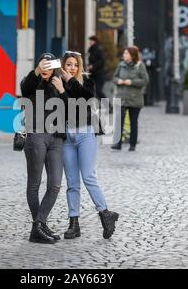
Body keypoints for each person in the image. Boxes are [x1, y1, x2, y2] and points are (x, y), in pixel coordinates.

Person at [59, 51, 120, 240]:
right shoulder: (56, 82)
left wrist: (68, 84)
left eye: (75, 65)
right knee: (71, 182)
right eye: (68, 64)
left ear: (80, 66)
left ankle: (105, 214)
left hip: (86, 133)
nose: (72, 68)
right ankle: (73, 224)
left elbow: (85, 100)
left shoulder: (87, 82)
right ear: (63, 65)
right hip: (66, 135)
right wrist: (61, 88)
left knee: (88, 176)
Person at [20, 53, 68, 244]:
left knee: (55, 184)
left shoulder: (58, 84)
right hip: (36, 136)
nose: (47, 69)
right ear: (39, 65)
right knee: (34, 184)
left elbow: (71, 110)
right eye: (43, 65)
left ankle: (39, 225)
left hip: (56, 138)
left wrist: (62, 90)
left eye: (50, 65)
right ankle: (39, 227)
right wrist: (37, 72)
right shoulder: (32, 82)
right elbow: (25, 88)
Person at [111, 46, 149, 151]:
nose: (124, 55)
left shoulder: (140, 66)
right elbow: (114, 77)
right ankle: (117, 144)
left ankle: (133, 144)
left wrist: (131, 82)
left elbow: (145, 81)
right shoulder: (121, 65)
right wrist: (118, 81)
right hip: (122, 97)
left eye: (126, 53)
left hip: (135, 99)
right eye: (124, 53)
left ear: (132, 55)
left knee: (133, 122)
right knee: (119, 121)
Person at [87, 36, 107, 100]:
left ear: (95, 41)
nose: (90, 42)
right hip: (92, 74)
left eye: (91, 41)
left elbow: (101, 61)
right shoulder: (91, 50)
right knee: (91, 90)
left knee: (97, 91)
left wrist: (93, 66)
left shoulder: (98, 49)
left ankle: (108, 105)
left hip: (99, 74)